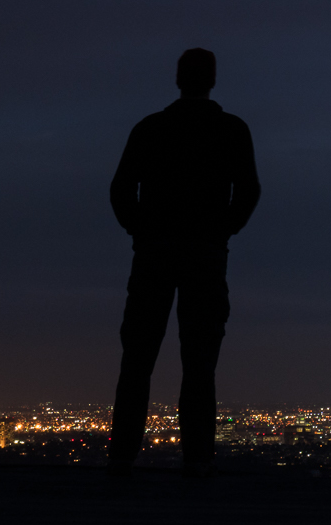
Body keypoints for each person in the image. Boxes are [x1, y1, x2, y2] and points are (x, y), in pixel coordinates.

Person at [105, 48, 261, 475]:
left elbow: (121, 190)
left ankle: (122, 457)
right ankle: (197, 459)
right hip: (205, 258)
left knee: (137, 358)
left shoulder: (151, 129)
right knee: (199, 362)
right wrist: (220, 232)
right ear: (212, 80)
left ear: (177, 79)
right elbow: (248, 192)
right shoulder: (231, 130)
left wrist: (142, 231)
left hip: (154, 254)